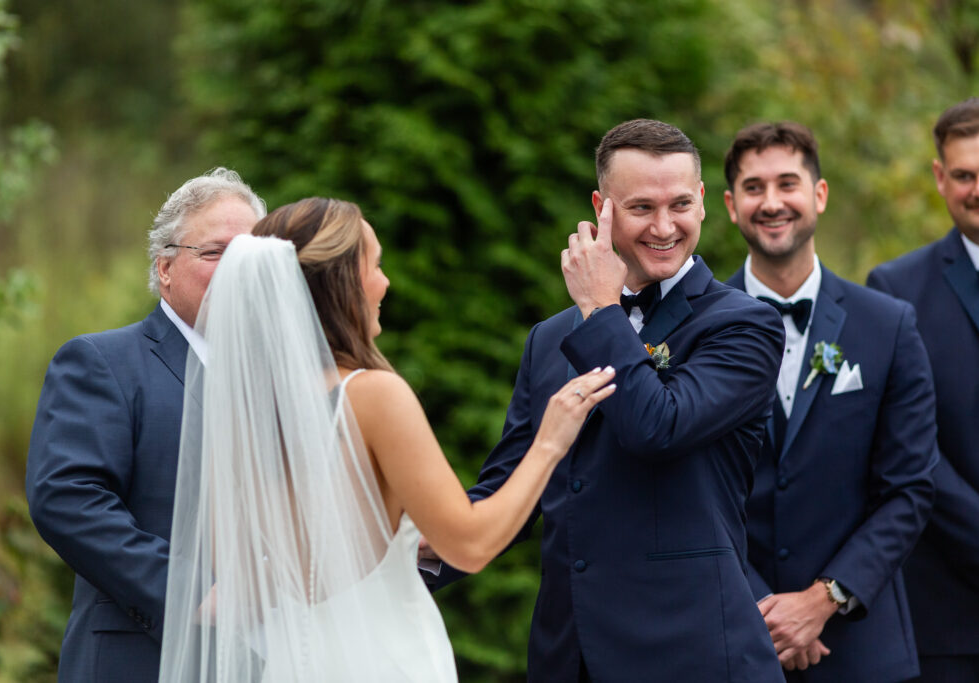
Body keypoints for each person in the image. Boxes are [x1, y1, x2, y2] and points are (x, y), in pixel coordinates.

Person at [157, 198, 617, 682]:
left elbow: (251, 581)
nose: (385, 282)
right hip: (384, 660)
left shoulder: (255, 413)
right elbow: (472, 544)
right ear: (342, 283)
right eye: (374, 265)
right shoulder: (373, 395)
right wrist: (549, 441)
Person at [429, 119, 787, 681]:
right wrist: (421, 551)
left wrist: (601, 311)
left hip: (691, 655)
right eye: (642, 207)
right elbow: (511, 487)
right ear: (603, 208)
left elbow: (656, 427)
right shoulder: (550, 338)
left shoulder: (745, 324)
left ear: (703, 207)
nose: (665, 226)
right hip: (569, 653)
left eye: (681, 204)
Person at [25, 168, 265, 683]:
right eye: (215, 252)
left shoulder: (277, 382)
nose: (234, 269)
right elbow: (67, 497)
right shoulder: (101, 361)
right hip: (137, 660)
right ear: (165, 268)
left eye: (248, 256)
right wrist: (189, 593)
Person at [722, 122, 937, 682]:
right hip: (732, 641)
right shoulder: (697, 329)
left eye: (787, 183)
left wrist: (822, 600)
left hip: (861, 646)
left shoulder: (887, 324)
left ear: (818, 194)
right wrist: (764, 610)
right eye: (753, 187)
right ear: (728, 204)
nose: (771, 203)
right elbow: (687, 491)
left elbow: (909, 488)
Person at [867, 97, 979, 682]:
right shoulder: (894, 290)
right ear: (940, 179)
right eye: (965, 175)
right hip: (951, 602)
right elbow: (906, 443)